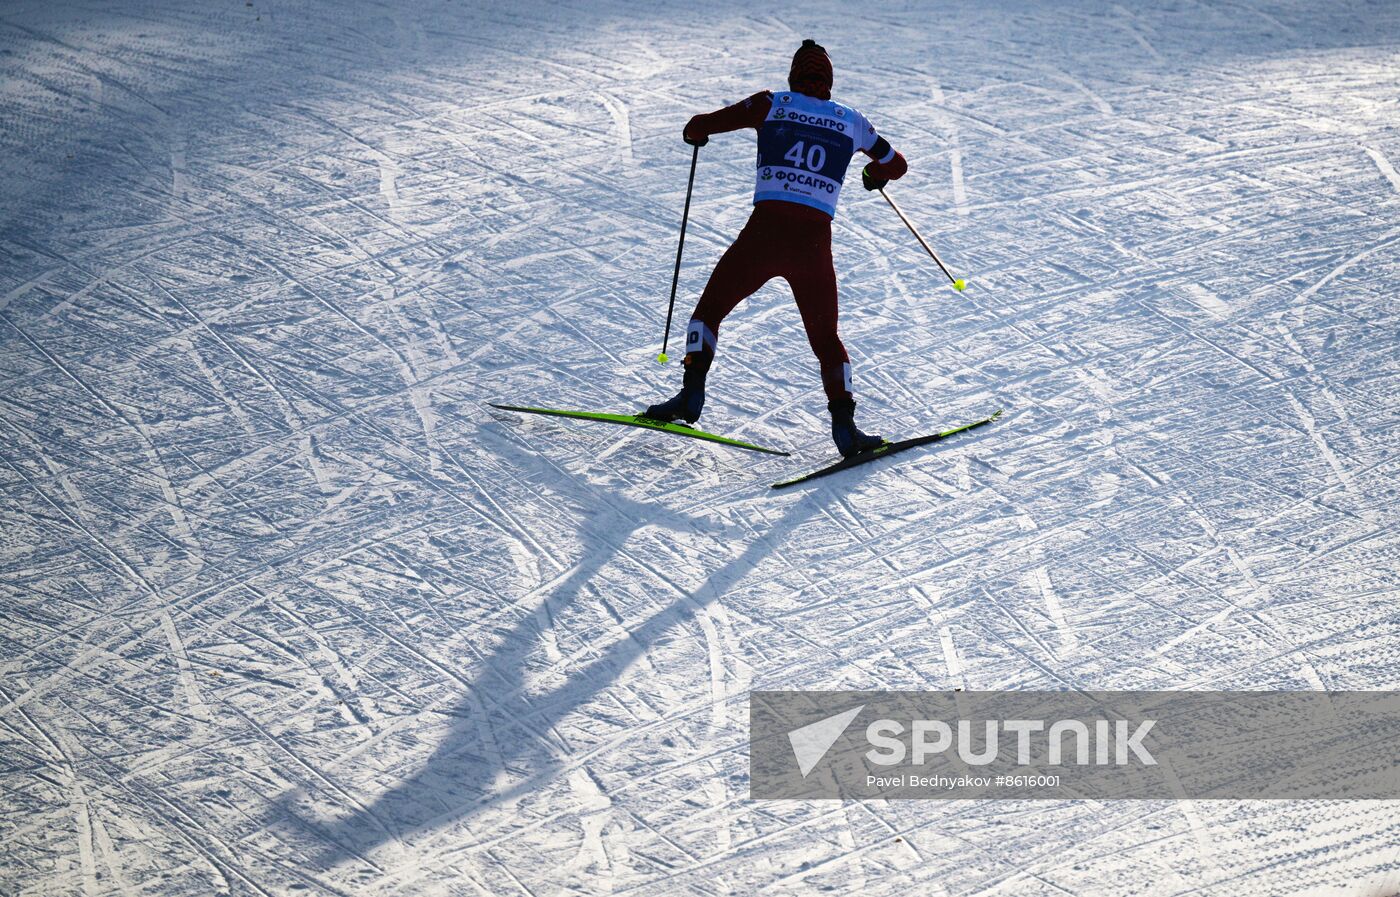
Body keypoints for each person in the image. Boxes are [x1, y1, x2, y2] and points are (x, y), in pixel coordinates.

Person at [644, 39, 909, 457]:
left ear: (793, 76)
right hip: (813, 247)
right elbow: (897, 165)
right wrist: (874, 173)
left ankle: (690, 396)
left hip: (763, 238)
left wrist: (695, 133)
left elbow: (701, 124)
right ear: (829, 81)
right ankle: (845, 429)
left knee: (709, 312)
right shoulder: (854, 122)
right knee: (826, 340)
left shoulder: (771, 104)